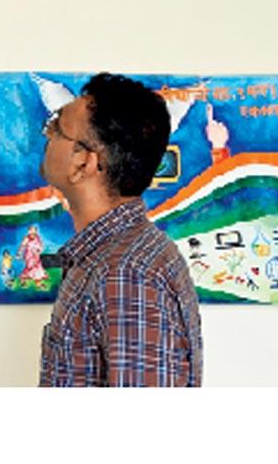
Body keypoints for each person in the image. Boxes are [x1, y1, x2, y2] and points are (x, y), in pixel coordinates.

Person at [38, 72, 203, 386]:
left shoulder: (126, 274)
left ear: (84, 163)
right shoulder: (108, 258)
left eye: (57, 128)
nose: (47, 135)